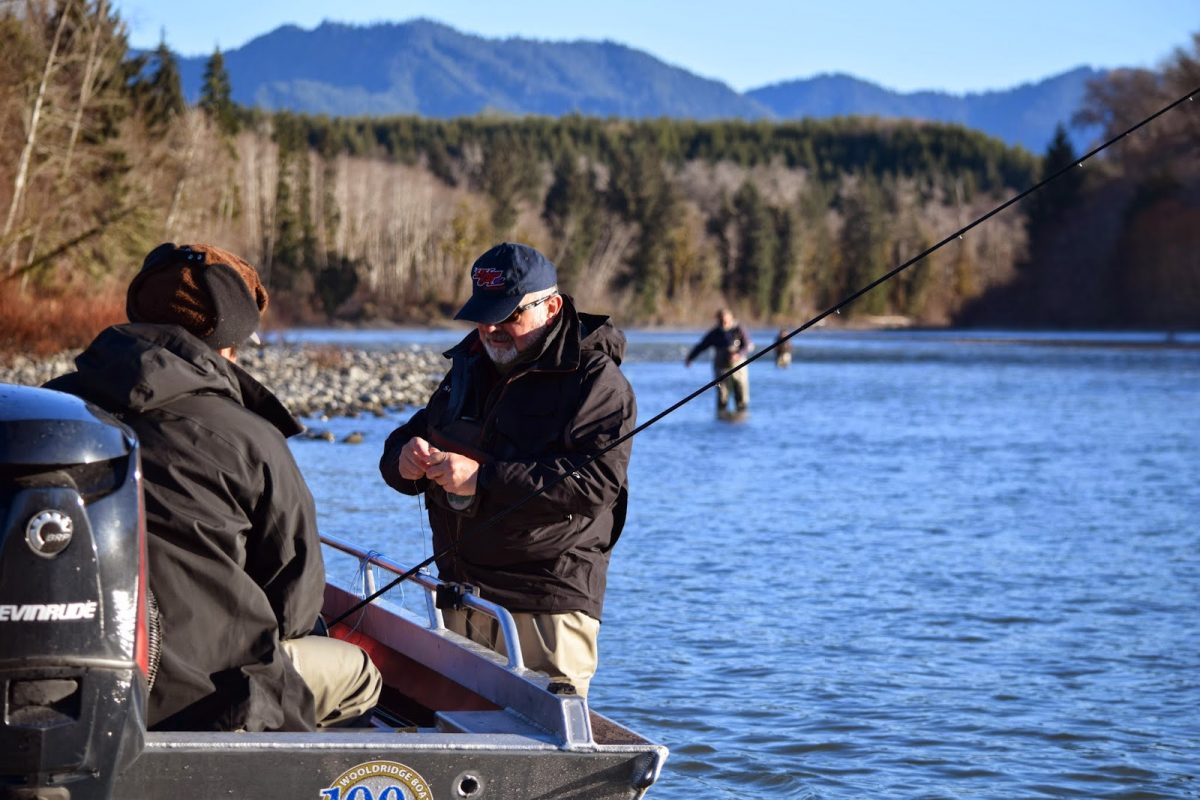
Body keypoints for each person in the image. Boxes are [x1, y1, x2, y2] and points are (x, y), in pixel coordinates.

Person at [46, 242, 380, 731]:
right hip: (214, 699)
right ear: (229, 343)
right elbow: (295, 608)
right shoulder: (252, 438)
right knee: (359, 674)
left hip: (58, 690)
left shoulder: (46, 411)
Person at [379, 242, 636, 698]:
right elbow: (411, 434)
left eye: (508, 316)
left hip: (547, 604)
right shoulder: (470, 365)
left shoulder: (597, 382)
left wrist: (482, 479)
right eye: (483, 315)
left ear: (551, 306)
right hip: (462, 595)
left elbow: (595, 484)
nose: (492, 329)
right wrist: (404, 460)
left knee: (542, 757)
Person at [684, 307, 753, 418]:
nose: (723, 322)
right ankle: (722, 417)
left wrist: (738, 354)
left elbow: (748, 345)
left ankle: (741, 416)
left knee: (741, 393)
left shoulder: (739, 329)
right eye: (721, 320)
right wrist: (690, 358)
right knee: (722, 394)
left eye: (725, 320)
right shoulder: (715, 333)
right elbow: (702, 346)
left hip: (739, 365)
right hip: (721, 366)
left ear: (731, 318)